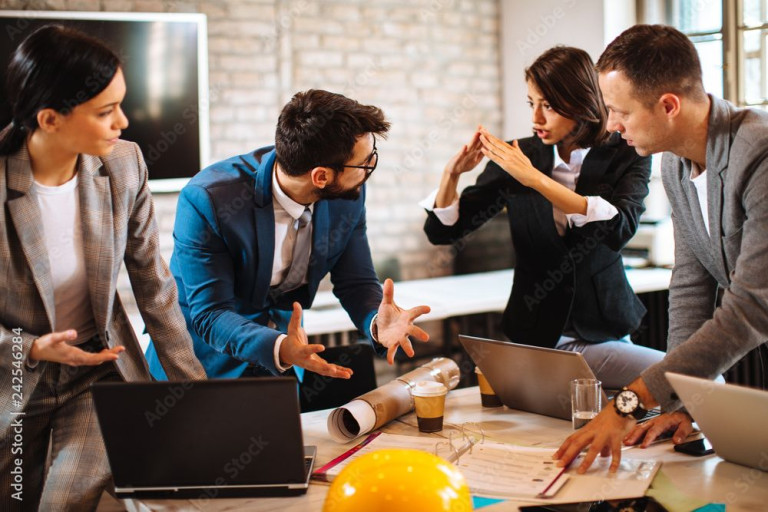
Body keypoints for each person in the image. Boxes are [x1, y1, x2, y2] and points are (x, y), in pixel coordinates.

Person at [0, 26, 205, 511]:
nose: (124, 121)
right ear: (49, 118)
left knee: (64, 501)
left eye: (121, 103)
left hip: (95, 372)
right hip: (11, 374)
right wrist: (29, 349)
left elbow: (155, 286)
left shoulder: (125, 165)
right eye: (105, 111)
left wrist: (195, 394)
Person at [555, 24, 768, 473]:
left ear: (668, 105)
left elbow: (750, 306)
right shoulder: (674, 161)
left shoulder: (760, 153)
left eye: (620, 112)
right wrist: (683, 400)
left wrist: (626, 405)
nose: (611, 126)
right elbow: (692, 284)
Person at [145, 89, 431, 381]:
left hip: (283, 362)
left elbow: (355, 282)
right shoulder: (208, 199)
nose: (369, 169)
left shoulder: (348, 193)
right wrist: (279, 346)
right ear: (321, 176)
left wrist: (376, 324)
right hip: (199, 364)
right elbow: (211, 313)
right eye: (365, 163)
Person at [421, 46, 663, 389]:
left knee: (644, 406)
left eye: (548, 105)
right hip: (537, 334)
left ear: (581, 102)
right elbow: (445, 231)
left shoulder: (625, 151)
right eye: (531, 103)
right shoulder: (518, 155)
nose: (536, 118)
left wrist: (536, 179)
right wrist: (452, 175)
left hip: (605, 328)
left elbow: (618, 229)